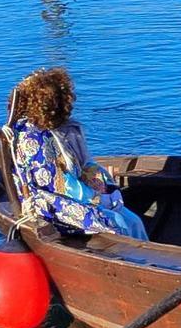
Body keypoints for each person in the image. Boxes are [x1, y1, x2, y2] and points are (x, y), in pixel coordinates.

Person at [8, 67, 148, 240]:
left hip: (76, 191)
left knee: (134, 221)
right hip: (51, 203)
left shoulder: (61, 129)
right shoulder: (33, 139)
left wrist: (101, 186)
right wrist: (95, 197)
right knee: (116, 221)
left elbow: (82, 165)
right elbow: (56, 186)